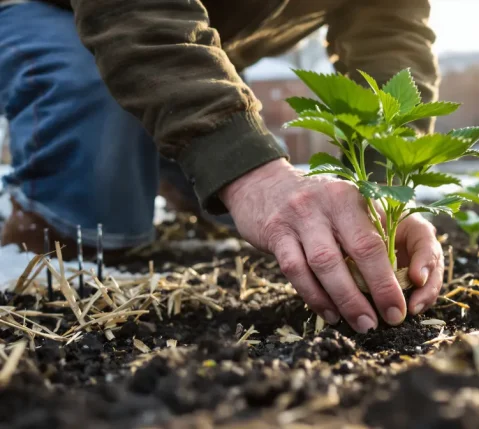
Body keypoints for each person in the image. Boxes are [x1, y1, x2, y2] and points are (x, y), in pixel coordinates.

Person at [0, 0, 445, 334]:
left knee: (270, 205)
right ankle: (36, 228)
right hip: (60, 12)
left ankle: (159, 155)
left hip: (200, 48)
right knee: (102, 230)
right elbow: (133, 10)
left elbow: (391, 28)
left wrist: (379, 190)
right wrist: (250, 171)